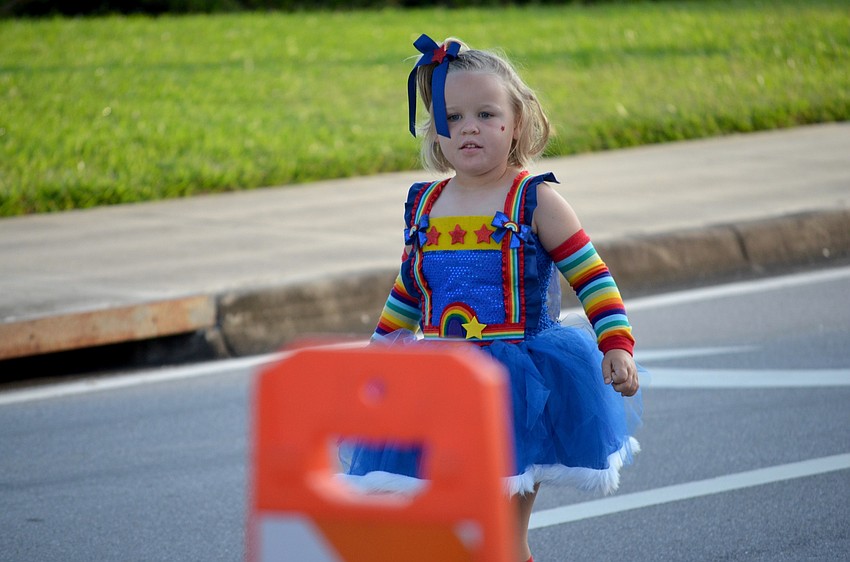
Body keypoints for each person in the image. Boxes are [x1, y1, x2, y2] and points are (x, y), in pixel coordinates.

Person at [344, 34, 642, 562]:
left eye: (485, 113)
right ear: (436, 130)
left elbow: (591, 276)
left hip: (517, 387)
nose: (469, 128)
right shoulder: (425, 203)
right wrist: (380, 354)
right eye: (453, 117)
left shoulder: (535, 199)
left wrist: (616, 343)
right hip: (441, 385)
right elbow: (410, 289)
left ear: (517, 123)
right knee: (449, 529)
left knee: (500, 537)